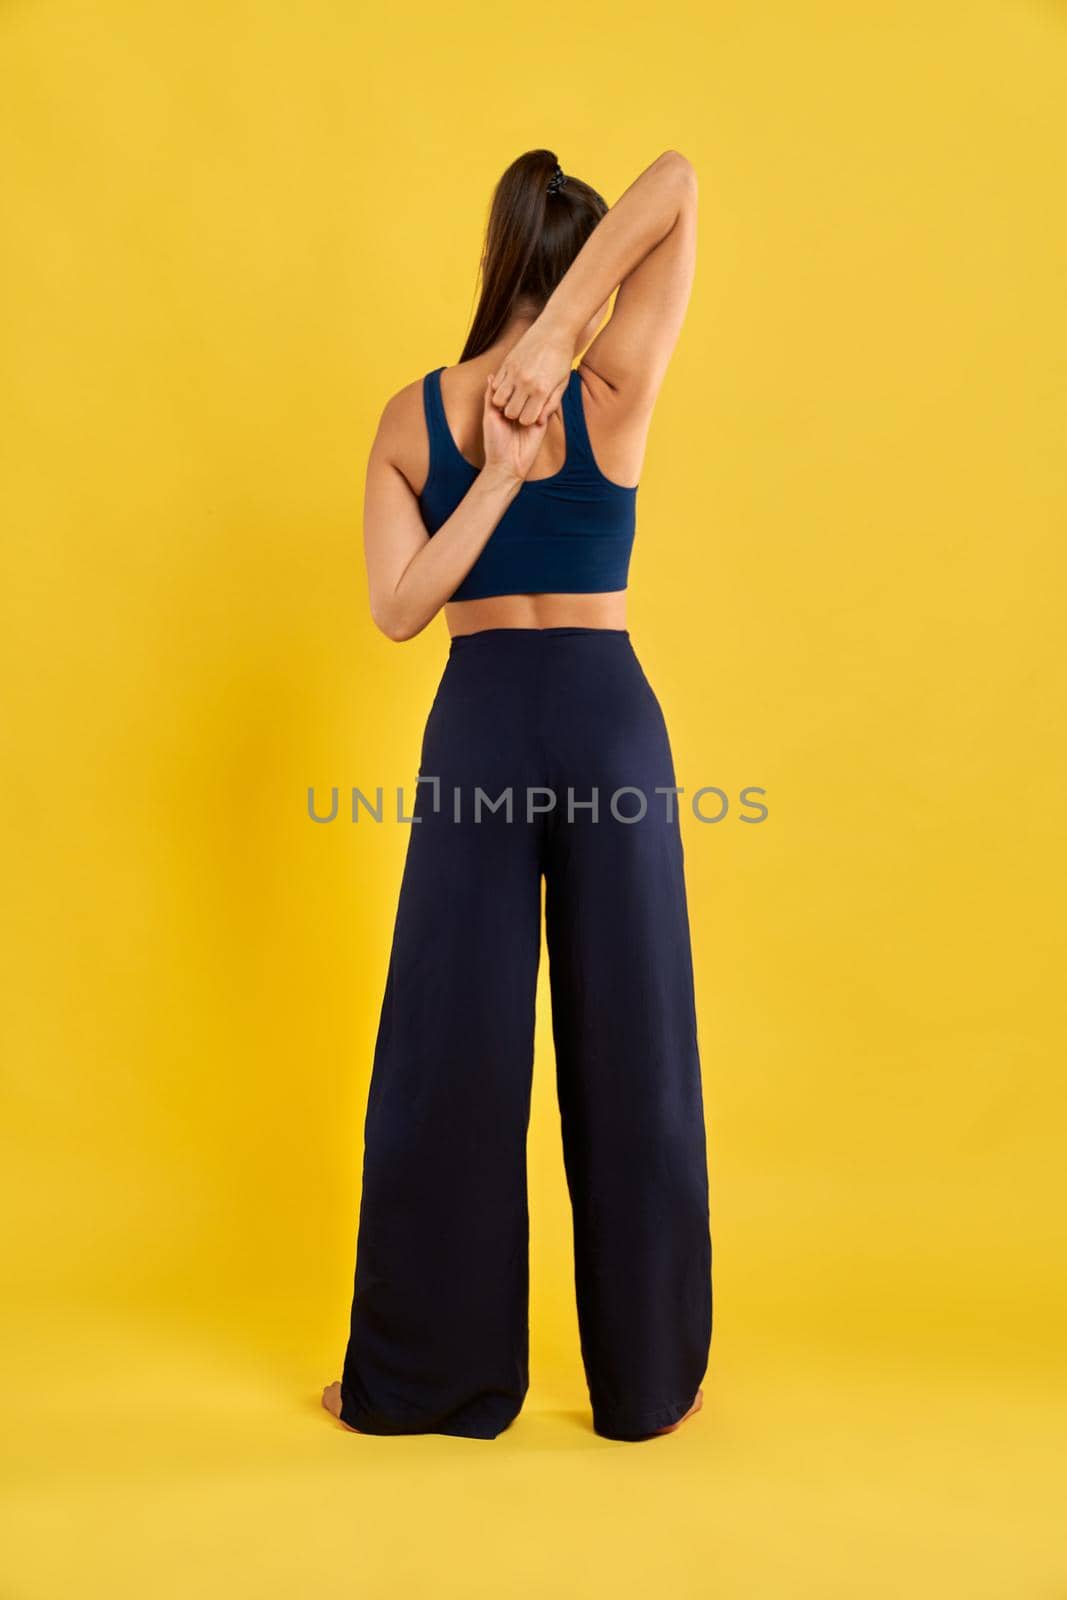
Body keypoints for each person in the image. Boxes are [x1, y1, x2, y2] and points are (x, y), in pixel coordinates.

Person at [322, 148, 711, 1441]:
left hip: (485, 721)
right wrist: (513, 445)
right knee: (629, 1050)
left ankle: (427, 1379)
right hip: (606, 725)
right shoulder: (617, 386)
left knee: (450, 1049)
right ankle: (650, 1385)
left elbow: (400, 610)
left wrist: (522, 378)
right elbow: (681, 187)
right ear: (583, 270)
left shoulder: (411, 417)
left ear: (494, 255)